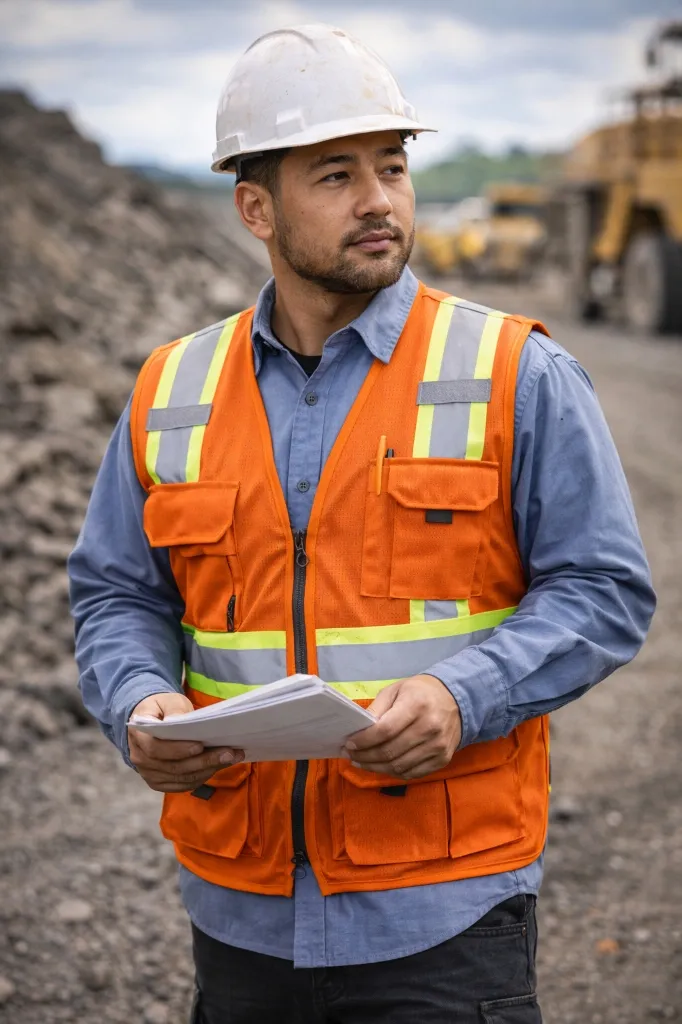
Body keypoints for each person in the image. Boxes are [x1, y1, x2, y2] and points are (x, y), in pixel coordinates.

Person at [68, 23, 655, 1024]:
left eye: (392, 166)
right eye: (336, 175)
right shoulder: (173, 388)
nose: (380, 199)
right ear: (255, 208)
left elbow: (604, 589)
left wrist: (461, 694)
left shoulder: (515, 371)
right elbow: (118, 590)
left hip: (446, 909)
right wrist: (138, 701)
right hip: (238, 909)